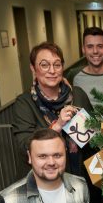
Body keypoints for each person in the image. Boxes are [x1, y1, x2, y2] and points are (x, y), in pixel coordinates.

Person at [12, 42, 94, 180]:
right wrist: (57, 126)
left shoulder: (78, 94)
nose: (52, 70)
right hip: (44, 179)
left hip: (81, 175)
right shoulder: (24, 103)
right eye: (44, 65)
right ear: (33, 68)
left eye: (57, 64)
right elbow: (24, 146)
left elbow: (92, 136)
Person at [65, 27, 103, 108]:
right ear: (83, 49)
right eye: (90, 47)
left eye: (100, 46)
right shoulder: (73, 75)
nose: (95, 51)